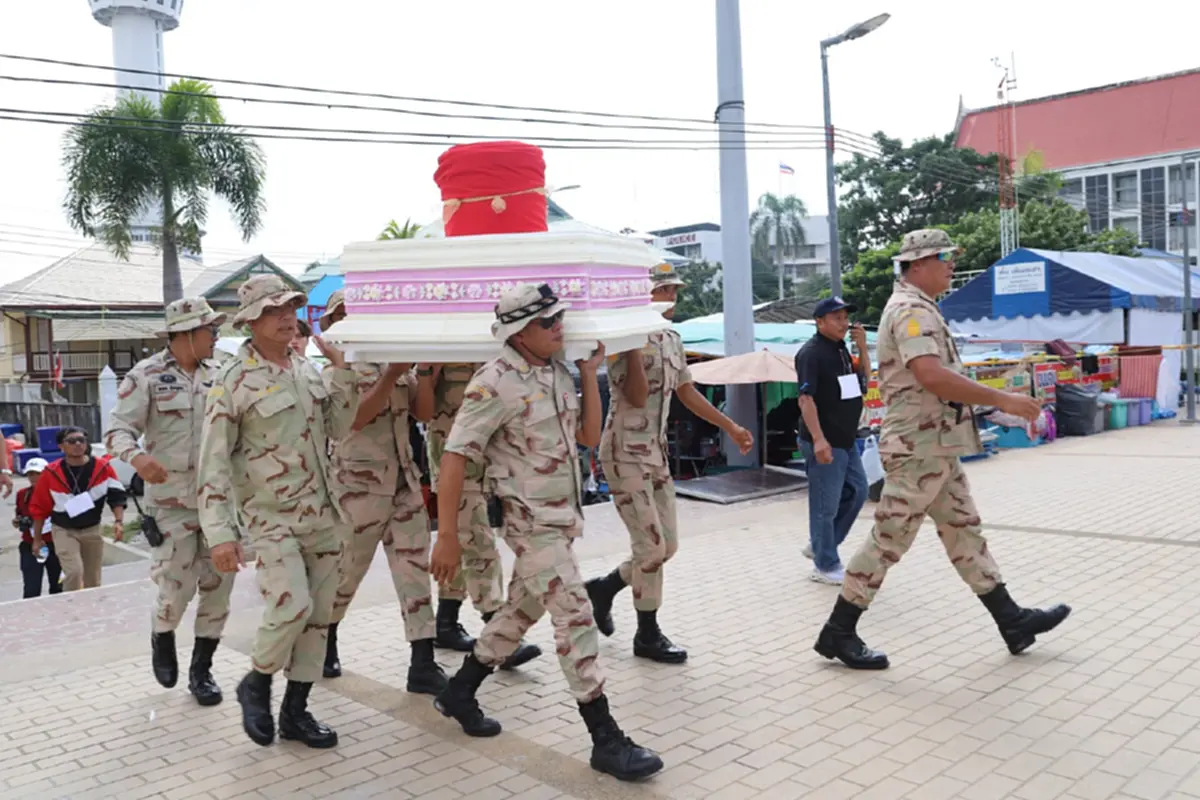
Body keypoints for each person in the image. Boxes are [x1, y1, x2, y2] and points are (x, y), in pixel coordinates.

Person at [430, 283, 662, 781]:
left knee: (517, 614)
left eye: (559, 317)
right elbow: (454, 455)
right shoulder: (493, 383)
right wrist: (446, 535)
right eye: (547, 321)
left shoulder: (556, 371)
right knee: (576, 617)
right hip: (530, 526)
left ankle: (459, 691)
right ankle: (605, 737)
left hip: (561, 522)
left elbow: (586, 438)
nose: (559, 326)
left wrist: (589, 375)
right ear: (518, 333)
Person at [813, 229, 1071, 670]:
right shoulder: (911, 311)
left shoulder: (923, 308)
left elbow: (938, 385)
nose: (951, 264)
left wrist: (993, 411)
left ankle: (1012, 621)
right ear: (917, 265)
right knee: (889, 539)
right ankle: (838, 631)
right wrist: (1002, 399)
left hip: (935, 446)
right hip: (918, 448)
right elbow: (931, 375)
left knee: (964, 531)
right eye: (944, 256)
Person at [199, 275, 355, 748]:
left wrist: (343, 373)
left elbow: (339, 428)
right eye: (274, 310)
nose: (288, 316)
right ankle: (258, 682)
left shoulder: (305, 368)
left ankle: (296, 713)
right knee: (292, 604)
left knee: (319, 619)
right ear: (250, 320)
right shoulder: (232, 381)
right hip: (271, 518)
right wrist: (220, 534)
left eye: (291, 306)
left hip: (323, 515)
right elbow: (213, 462)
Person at [585, 262, 753, 664]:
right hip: (624, 451)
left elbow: (687, 391)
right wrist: (634, 343)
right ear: (645, 297)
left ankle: (605, 588)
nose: (672, 299)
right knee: (651, 548)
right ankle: (647, 635)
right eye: (664, 292)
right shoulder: (625, 337)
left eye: (674, 292)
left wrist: (731, 426)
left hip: (656, 453)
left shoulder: (672, 337)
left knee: (667, 545)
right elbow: (637, 397)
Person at [315, 290, 457, 693]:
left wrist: (424, 371)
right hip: (356, 490)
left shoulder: (390, 360)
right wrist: (392, 375)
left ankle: (423, 662)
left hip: (403, 484)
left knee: (415, 572)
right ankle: (324, 641)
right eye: (341, 314)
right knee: (346, 574)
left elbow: (423, 413)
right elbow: (353, 421)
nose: (349, 318)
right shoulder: (336, 372)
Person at [105, 297, 236, 706]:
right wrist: (137, 458)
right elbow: (117, 431)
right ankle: (162, 636)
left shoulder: (225, 372)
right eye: (207, 330)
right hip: (172, 504)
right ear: (183, 334)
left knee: (218, 589)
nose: (214, 336)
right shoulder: (146, 375)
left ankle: (202, 671)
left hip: (220, 505)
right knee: (175, 590)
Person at [420, 360, 542, 670]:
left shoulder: (486, 343)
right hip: (453, 455)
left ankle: (446, 623)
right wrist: (426, 370)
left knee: (465, 540)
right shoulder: (438, 344)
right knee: (478, 543)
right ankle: (497, 631)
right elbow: (422, 408)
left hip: (487, 453)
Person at [794, 296, 872, 585]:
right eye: (836, 317)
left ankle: (820, 545)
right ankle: (825, 565)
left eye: (845, 317)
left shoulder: (840, 349)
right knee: (825, 505)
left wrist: (862, 347)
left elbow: (865, 378)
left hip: (846, 437)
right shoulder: (811, 354)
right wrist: (818, 440)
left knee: (859, 491)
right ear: (819, 321)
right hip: (825, 439)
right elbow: (806, 399)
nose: (843, 323)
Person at [28, 427, 127, 591]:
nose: (78, 444)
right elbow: (39, 508)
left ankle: (89, 610)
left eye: (81, 440)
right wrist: (37, 539)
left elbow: (117, 496)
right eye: (71, 441)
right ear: (61, 446)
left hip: (92, 529)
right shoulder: (51, 472)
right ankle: (71, 608)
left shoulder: (103, 468)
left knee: (93, 579)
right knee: (74, 572)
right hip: (64, 530)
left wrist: (118, 522)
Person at [14, 458, 61, 598]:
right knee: (31, 589)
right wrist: (18, 521)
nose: (34, 477)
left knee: (58, 587)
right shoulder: (23, 494)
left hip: (55, 543)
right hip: (30, 545)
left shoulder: (57, 492)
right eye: (30, 474)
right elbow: (20, 513)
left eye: (37, 473)